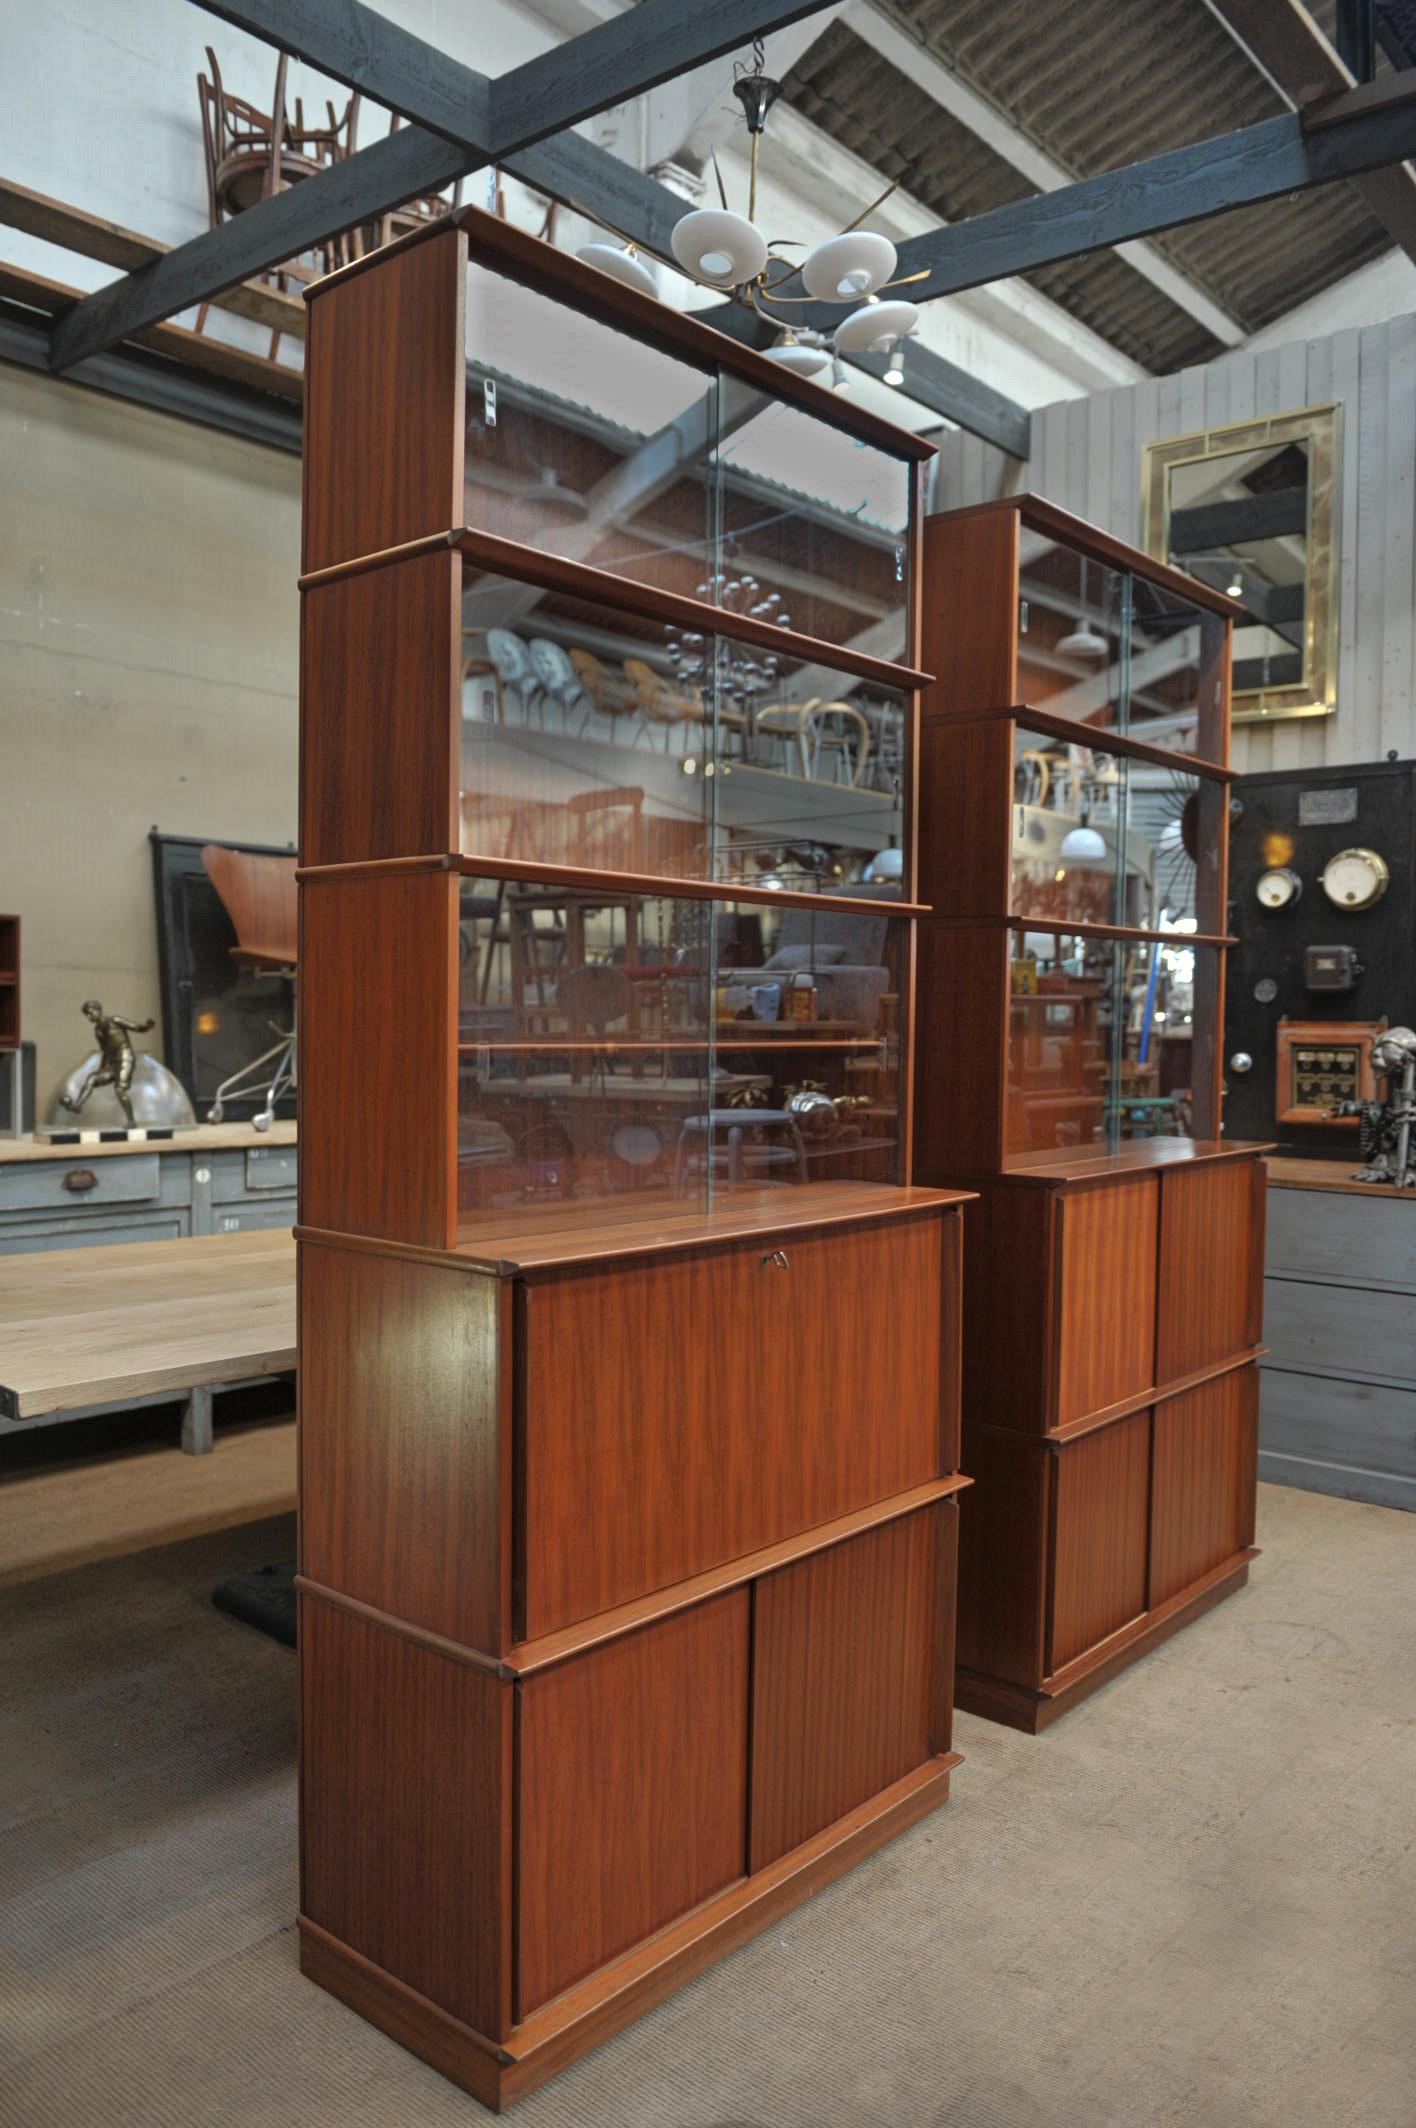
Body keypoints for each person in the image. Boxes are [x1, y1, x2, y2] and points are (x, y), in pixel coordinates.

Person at [61, 1000, 155, 1128]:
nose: (89, 1017)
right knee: (92, 1077)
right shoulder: (97, 1031)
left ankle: (131, 1121)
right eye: (86, 1015)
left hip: (125, 1059)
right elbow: (105, 1052)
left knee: (120, 1089)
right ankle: (77, 1106)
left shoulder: (114, 1020)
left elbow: (136, 1027)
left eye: (90, 1013)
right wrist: (101, 1069)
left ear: (98, 1009)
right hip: (112, 1064)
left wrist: (146, 1026)